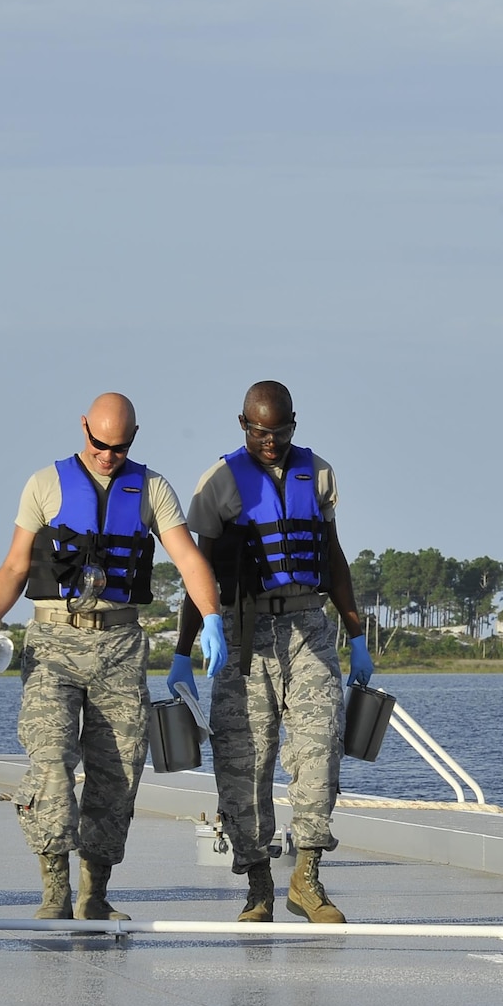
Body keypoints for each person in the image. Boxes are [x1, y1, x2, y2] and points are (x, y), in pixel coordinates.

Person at [0, 392, 228, 920]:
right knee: (52, 763)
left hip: (120, 646)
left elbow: (188, 558)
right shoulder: (44, 483)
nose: (108, 455)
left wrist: (212, 617)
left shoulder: (152, 488)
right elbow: (16, 566)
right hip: (53, 645)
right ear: (83, 427)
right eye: (98, 443)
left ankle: (95, 893)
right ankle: (53, 891)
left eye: (119, 446)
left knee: (117, 772)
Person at [173, 380, 373, 924]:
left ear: (293, 424)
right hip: (243, 634)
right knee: (244, 759)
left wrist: (355, 636)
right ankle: (258, 883)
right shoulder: (218, 485)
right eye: (260, 431)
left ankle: (307, 877)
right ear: (243, 424)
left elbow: (333, 558)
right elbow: (200, 574)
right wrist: (183, 653)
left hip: (308, 623)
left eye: (279, 431)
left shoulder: (320, 474)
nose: (270, 440)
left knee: (318, 748)